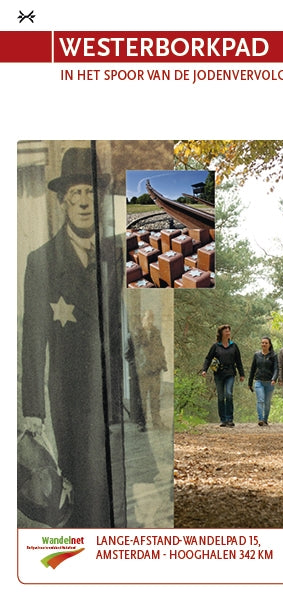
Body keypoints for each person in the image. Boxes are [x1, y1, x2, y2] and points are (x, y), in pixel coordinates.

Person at [21, 147, 114, 527]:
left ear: (100, 199)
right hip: (71, 396)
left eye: (89, 192)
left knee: (109, 487)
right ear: (62, 202)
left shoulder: (117, 251)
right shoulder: (41, 260)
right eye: (74, 193)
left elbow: (185, 254)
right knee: (82, 483)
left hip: (111, 394)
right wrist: (33, 410)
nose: (82, 201)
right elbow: (32, 340)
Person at [131, 310, 168, 430]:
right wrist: (137, 366)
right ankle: (142, 423)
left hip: (155, 370)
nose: (150, 321)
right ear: (142, 319)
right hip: (143, 372)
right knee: (142, 398)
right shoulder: (136, 333)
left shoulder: (156, 333)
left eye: (152, 319)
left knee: (155, 399)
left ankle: (157, 423)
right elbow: (129, 353)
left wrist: (163, 364)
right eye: (147, 318)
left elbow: (161, 349)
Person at [202, 324, 245, 427]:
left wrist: (241, 374)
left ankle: (230, 419)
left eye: (229, 330)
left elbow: (238, 360)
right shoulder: (216, 346)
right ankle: (223, 420)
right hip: (219, 374)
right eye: (226, 331)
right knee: (221, 397)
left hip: (230, 373)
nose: (228, 332)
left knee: (229, 394)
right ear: (221, 333)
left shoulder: (234, 346)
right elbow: (208, 358)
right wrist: (204, 370)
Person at [248, 336, 278, 426]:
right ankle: (260, 419)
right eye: (262, 343)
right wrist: (250, 382)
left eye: (266, 343)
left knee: (267, 402)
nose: (264, 344)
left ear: (269, 345)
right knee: (260, 400)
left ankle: (265, 419)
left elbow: (276, 369)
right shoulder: (257, 355)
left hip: (269, 382)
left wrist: (274, 378)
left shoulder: (273, 356)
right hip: (259, 381)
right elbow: (252, 369)